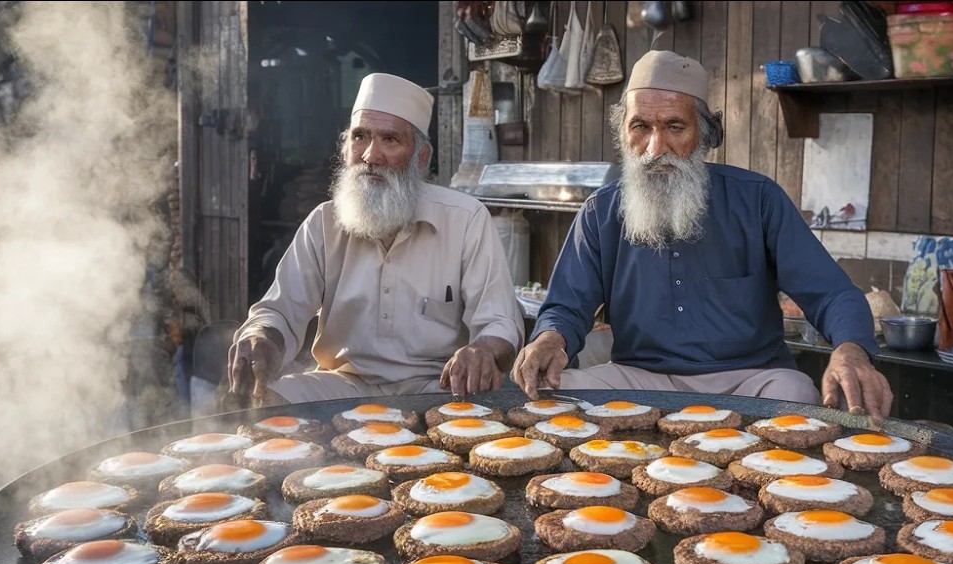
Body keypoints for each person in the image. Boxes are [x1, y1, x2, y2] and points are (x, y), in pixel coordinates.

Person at [511, 51, 894, 418]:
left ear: (706, 133)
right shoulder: (602, 211)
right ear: (623, 133)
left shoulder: (757, 200)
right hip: (639, 380)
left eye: (674, 127)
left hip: (749, 380)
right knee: (554, 395)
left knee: (795, 393)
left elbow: (832, 294)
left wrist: (851, 350)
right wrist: (551, 339)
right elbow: (565, 306)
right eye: (641, 127)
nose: (655, 148)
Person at [228, 73, 524, 407]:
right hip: (342, 385)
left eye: (390, 140)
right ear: (345, 149)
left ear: (421, 158)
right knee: (263, 404)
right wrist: (263, 337)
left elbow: (500, 321)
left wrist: (482, 350)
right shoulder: (324, 223)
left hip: (437, 388)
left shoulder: (466, 219)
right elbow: (280, 310)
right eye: (360, 137)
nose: (371, 155)